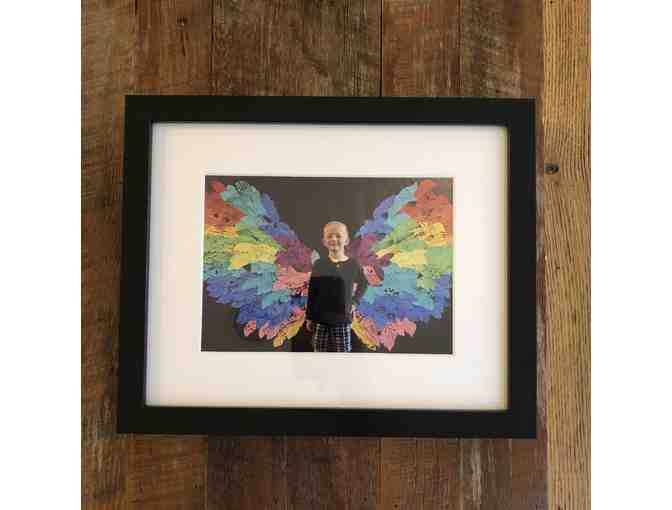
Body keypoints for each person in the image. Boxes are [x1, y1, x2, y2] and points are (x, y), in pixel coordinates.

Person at [306, 221, 368, 352]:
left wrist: (355, 302)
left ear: (346, 240)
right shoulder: (319, 264)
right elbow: (313, 292)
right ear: (324, 241)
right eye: (329, 236)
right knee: (319, 353)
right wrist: (310, 317)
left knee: (342, 354)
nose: (334, 239)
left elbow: (363, 283)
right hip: (321, 319)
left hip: (342, 318)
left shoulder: (353, 265)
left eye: (338, 236)